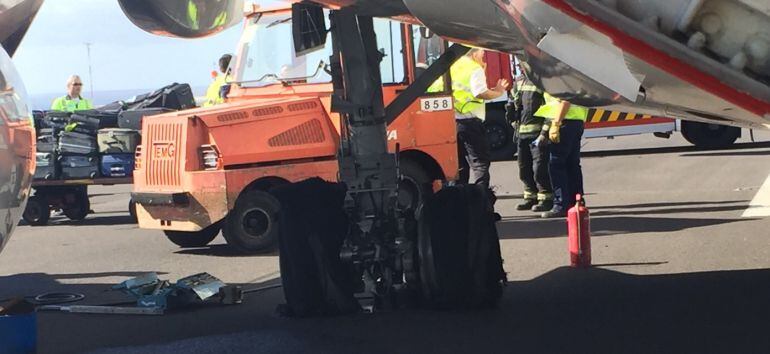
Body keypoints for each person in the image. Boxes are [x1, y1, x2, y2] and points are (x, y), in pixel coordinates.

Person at [451, 48, 508, 188]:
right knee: (480, 163)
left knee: (459, 165)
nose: (484, 56)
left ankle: (459, 197)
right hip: (470, 122)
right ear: (474, 53)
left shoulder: (453, 66)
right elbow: (480, 92)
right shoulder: (474, 68)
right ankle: (481, 199)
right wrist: (498, 92)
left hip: (453, 122)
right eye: (482, 53)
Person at [535, 93, 588, 218]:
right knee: (572, 164)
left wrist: (556, 123)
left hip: (564, 121)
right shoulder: (574, 75)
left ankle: (561, 204)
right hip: (576, 121)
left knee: (557, 165)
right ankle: (577, 201)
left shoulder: (558, 77)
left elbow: (565, 100)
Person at [512, 75, 552, 212]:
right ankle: (530, 197)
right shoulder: (519, 81)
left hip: (537, 134)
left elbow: (550, 108)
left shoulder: (541, 80)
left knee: (539, 169)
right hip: (522, 133)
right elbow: (513, 104)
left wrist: (544, 133)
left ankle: (546, 198)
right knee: (524, 168)